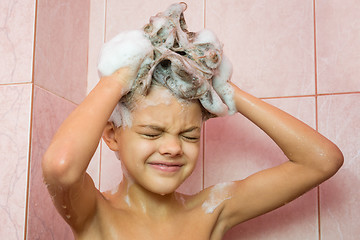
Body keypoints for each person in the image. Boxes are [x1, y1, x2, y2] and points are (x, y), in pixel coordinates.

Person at [42, 4, 343, 240]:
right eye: (152, 133)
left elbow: (322, 160)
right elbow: (61, 166)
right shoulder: (94, 213)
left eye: (189, 136)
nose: (173, 147)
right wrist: (119, 78)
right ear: (112, 135)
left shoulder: (212, 211)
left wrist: (228, 92)